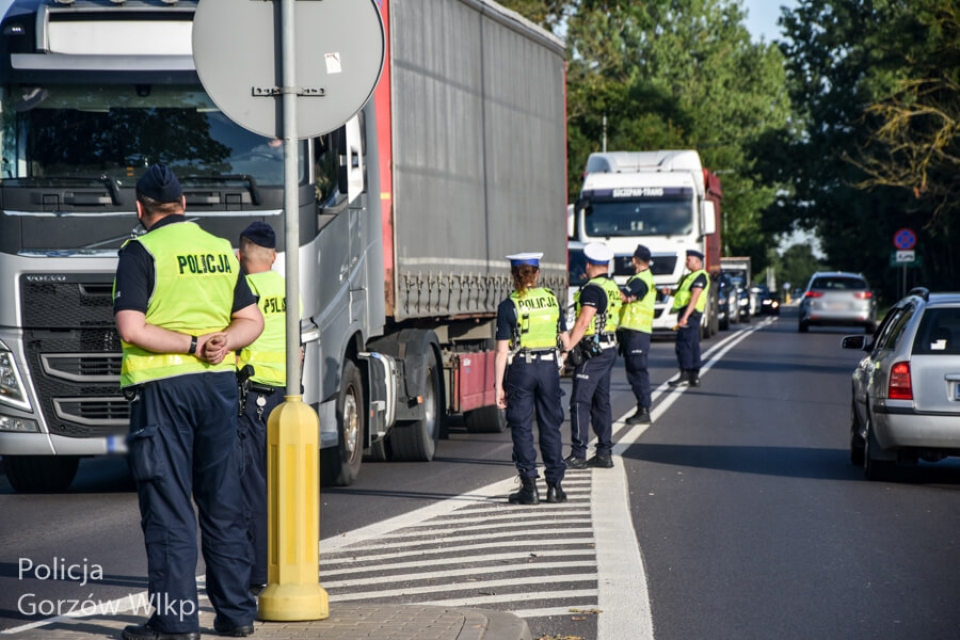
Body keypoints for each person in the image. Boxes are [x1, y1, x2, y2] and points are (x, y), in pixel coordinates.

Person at [113, 164, 264, 640]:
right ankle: (236, 616)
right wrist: (222, 342)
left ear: (141, 209)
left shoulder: (140, 250)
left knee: (170, 508)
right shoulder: (220, 250)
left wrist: (193, 342)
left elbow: (132, 328)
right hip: (219, 390)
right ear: (183, 204)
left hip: (164, 394)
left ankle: (176, 624)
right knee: (223, 503)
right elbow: (251, 320)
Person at [235, 221, 288, 596]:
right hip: (287, 400)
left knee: (252, 488)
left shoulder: (242, 289)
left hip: (252, 397)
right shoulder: (288, 287)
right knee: (286, 486)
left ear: (240, 256)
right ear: (273, 256)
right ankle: (288, 564)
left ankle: (256, 574)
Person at [494, 252, 571, 505]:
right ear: (537, 273)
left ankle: (529, 488)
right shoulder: (551, 300)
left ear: (513, 275)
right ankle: (555, 488)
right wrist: (561, 356)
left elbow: (502, 351)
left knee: (522, 427)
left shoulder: (508, 305)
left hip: (522, 368)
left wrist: (498, 388)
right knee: (551, 425)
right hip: (549, 368)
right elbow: (566, 341)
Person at [565, 241, 621, 469]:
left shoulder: (592, 288)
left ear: (589, 265)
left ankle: (579, 453)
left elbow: (583, 321)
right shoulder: (612, 287)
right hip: (608, 348)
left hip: (593, 352)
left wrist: (566, 347)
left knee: (579, 401)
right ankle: (604, 453)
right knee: (601, 401)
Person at [619, 244, 656, 425]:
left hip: (637, 333)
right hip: (637, 333)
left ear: (635, 260)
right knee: (636, 372)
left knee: (637, 372)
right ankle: (643, 408)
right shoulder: (645, 278)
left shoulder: (640, 279)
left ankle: (644, 409)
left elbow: (624, 296)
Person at [668, 249, 710, 388]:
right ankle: (693, 376)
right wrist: (670, 292)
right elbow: (682, 293)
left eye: (689, 259)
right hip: (687, 313)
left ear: (697, 261)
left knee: (684, 345)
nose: (686, 261)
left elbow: (694, 297)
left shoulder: (700, 276)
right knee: (691, 343)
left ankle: (686, 375)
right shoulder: (688, 277)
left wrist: (684, 317)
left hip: (690, 314)